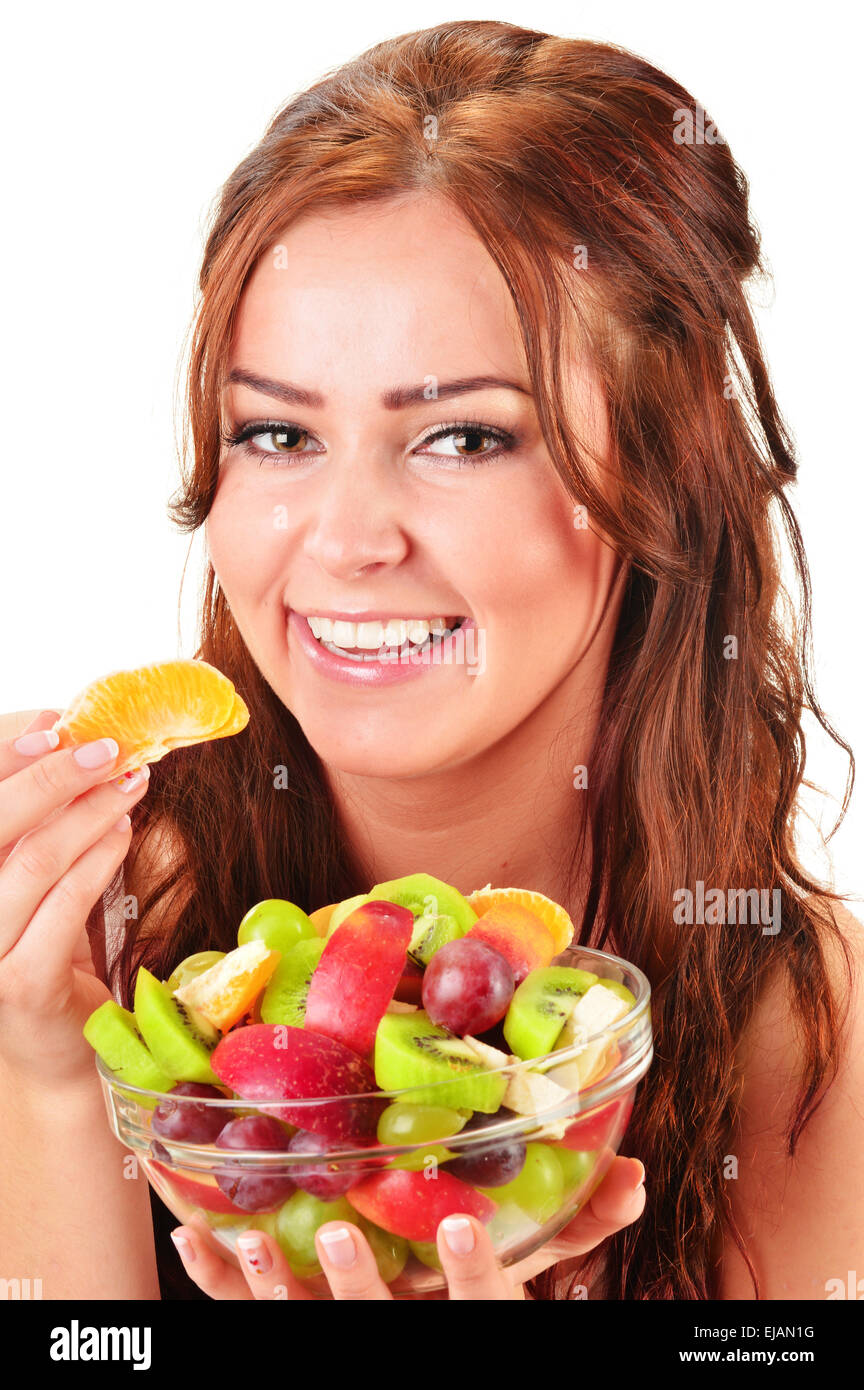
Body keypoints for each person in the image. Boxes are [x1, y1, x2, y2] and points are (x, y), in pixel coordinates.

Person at [1, 20, 861, 1302]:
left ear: (665, 476)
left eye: (463, 438)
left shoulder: (822, 1047)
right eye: (277, 433)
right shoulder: (84, 953)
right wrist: (49, 1081)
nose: (344, 541)